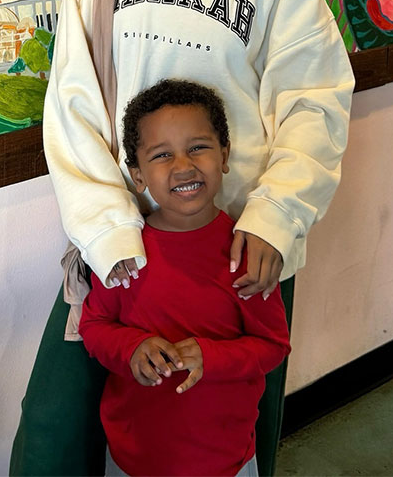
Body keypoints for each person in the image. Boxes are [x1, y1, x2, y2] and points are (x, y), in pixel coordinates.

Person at [10, 0, 354, 477]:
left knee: (229, 430)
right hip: (128, 247)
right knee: (53, 432)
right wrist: (108, 231)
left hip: (237, 251)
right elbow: (73, 98)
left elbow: (313, 100)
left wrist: (275, 218)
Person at [79, 78, 291, 477]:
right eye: (162, 155)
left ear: (224, 155)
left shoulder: (247, 252)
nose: (183, 166)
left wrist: (212, 357)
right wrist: (132, 348)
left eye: (198, 147)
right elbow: (93, 325)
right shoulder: (123, 252)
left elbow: (273, 345)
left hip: (225, 461)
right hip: (133, 458)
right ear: (137, 174)